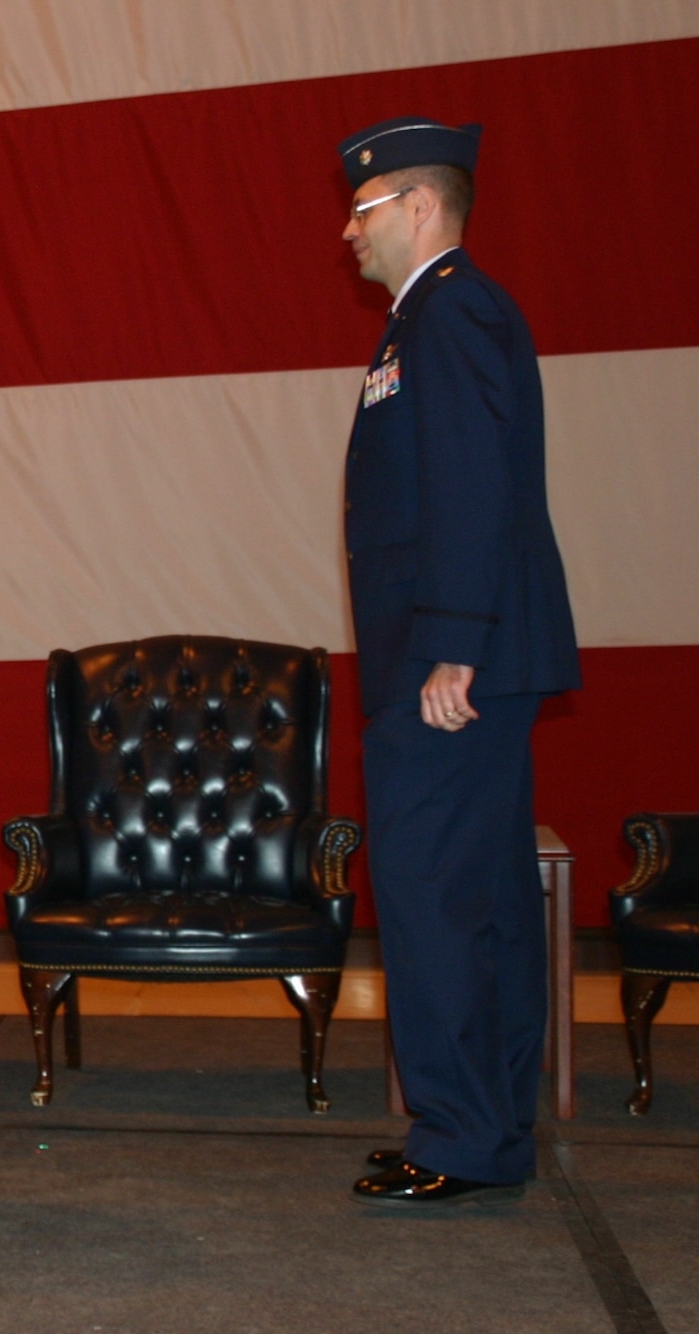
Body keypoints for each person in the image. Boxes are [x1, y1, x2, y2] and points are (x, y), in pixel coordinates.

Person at [333, 119, 579, 1209]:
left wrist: (450, 640)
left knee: (439, 893)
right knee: (461, 892)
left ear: (419, 208)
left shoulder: (453, 311)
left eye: (363, 207)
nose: (347, 229)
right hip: (436, 653)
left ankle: (463, 1131)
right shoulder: (418, 322)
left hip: (447, 662)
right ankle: (472, 1124)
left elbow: (475, 484)